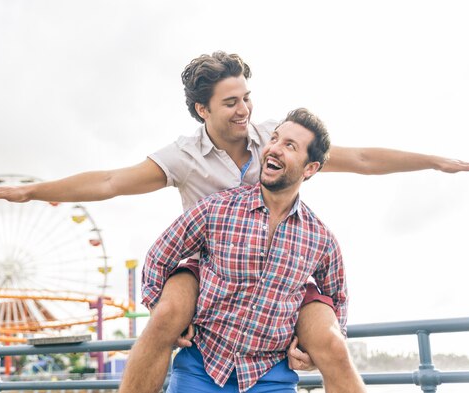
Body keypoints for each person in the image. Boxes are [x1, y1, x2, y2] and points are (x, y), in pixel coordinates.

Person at [0, 52, 469, 393]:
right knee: (168, 314)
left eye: (247, 98)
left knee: (329, 340)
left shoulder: (276, 139)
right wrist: (32, 192)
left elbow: (364, 159)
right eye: (230, 102)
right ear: (203, 109)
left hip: (280, 263)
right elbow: (109, 182)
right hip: (208, 263)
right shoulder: (184, 157)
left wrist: (434, 160)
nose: (244, 110)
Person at [142, 107, 346, 392]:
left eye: (289, 145)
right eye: (274, 139)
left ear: (310, 168)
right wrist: (156, 307)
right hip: (201, 368)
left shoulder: (321, 238)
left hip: (272, 376)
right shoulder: (218, 208)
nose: (274, 149)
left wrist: (316, 355)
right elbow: (159, 256)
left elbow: (337, 297)